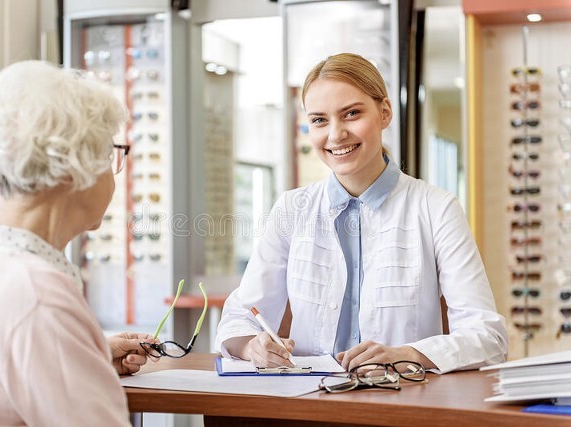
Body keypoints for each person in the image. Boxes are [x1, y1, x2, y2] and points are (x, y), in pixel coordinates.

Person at [215, 53, 508, 374]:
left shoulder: (436, 208)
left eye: (351, 113)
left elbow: (487, 336)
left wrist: (405, 354)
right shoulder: (292, 209)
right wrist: (251, 346)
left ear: (384, 112)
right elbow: (240, 317)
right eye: (319, 120)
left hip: (401, 402)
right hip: (308, 403)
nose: (336, 134)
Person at [0, 60, 156, 425]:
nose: (115, 174)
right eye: (111, 153)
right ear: (72, 166)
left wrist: (87, 357)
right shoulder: (38, 295)